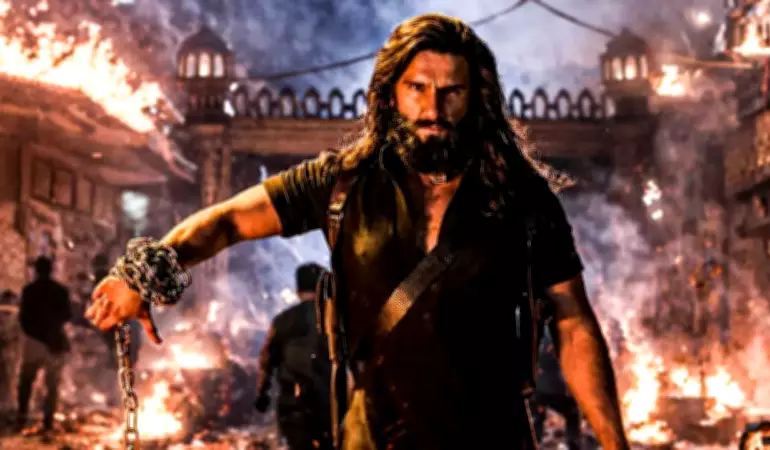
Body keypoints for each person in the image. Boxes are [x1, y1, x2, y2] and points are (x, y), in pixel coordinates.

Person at [87, 13, 629, 450]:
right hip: (373, 437)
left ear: (476, 100)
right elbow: (229, 219)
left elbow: (573, 322)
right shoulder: (340, 185)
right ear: (390, 93)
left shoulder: (521, 200)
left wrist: (614, 443)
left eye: (451, 92)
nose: (433, 109)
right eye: (417, 88)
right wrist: (143, 272)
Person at [255, 263, 333, 450]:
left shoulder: (283, 321)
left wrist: (263, 393)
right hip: (329, 404)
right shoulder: (335, 320)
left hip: (293, 405)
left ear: (298, 291)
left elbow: (268, 360)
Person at [17, 256, 71, 432]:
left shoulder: (29, 290)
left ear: (36, 270)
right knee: (52, 384)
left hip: (34, 342)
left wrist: (35, 334)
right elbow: (67, 315)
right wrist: (52, 331)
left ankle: (22, 417)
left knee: (26, 381)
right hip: (54, 343)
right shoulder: (60, 290)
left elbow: (23, 318)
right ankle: (48, 421)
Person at [534, 323, 583, 450]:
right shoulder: (552, 337)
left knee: (538, 416)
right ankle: (573, 444)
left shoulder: (541, 333)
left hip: (539, 390)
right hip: (547, 389)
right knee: (572, 410)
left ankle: (536, 441)